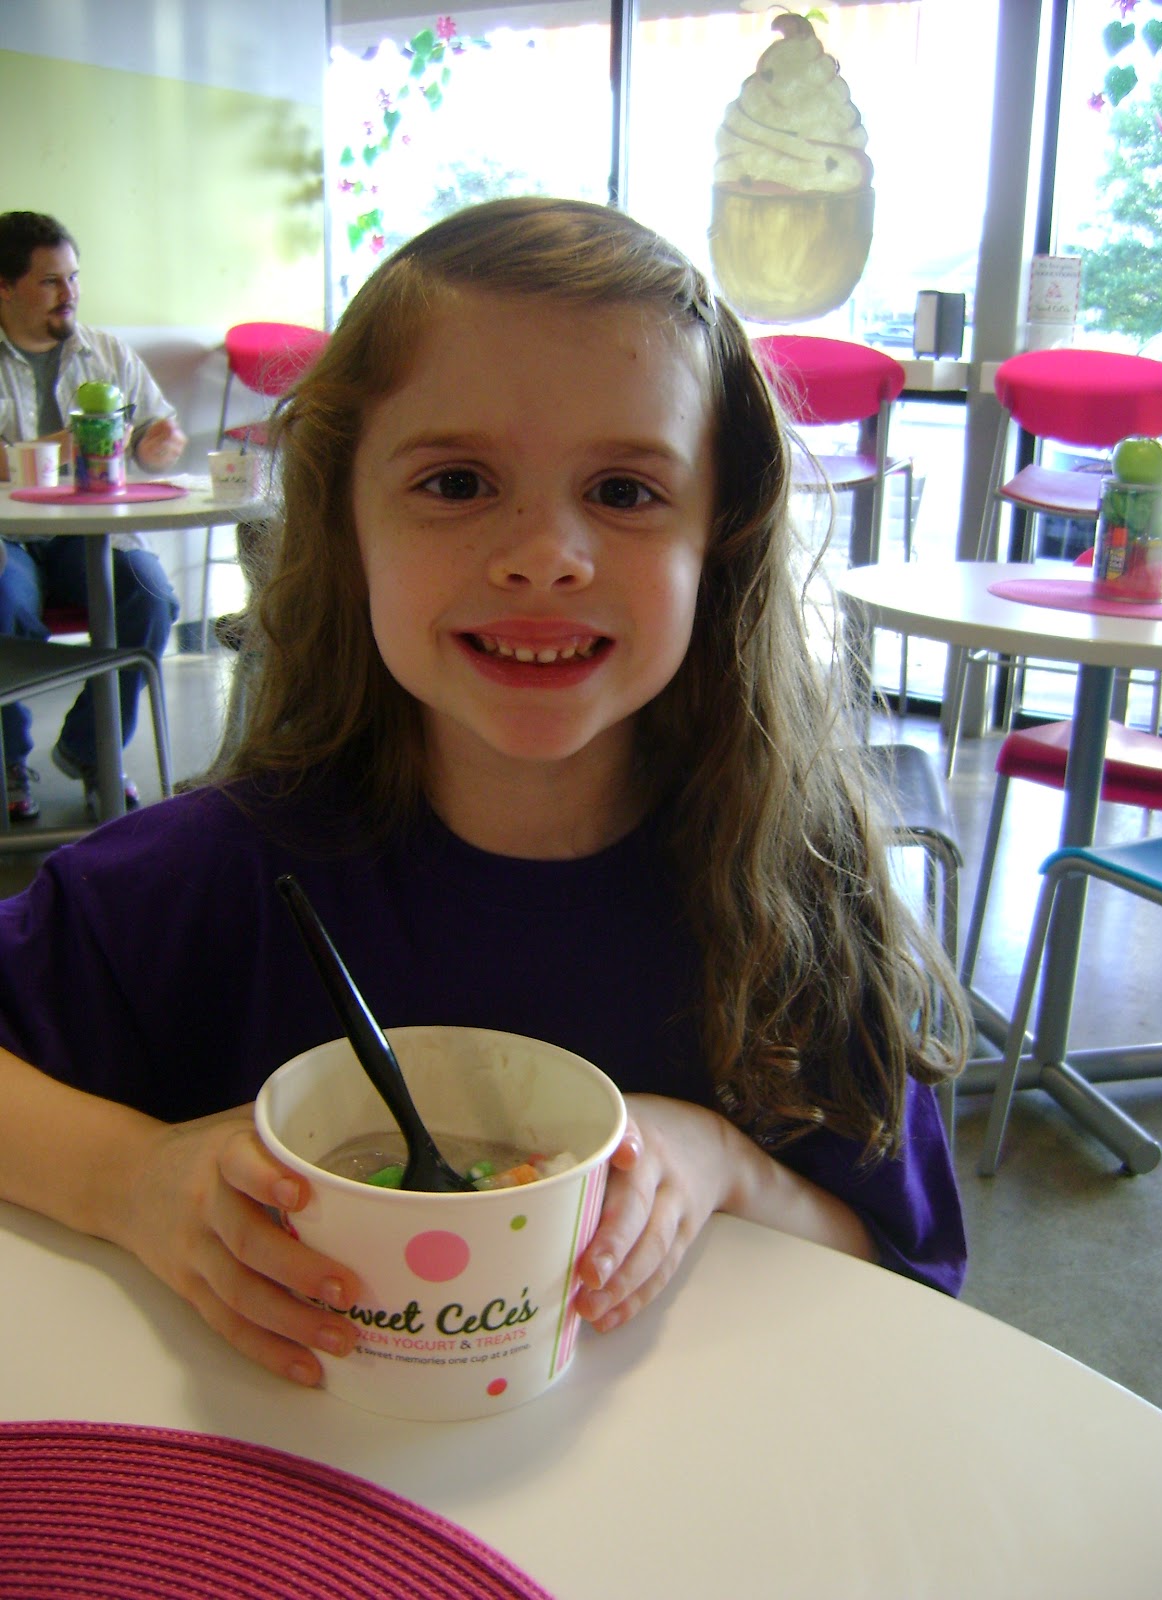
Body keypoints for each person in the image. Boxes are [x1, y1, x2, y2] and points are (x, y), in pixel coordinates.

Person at [0, 198, 969, 1389]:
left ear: (717, 540)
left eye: (625, 491)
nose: (545, 554)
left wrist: (727, 1164)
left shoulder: (793, 902)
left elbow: (906, 1278)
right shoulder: (218, 875)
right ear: (347, 521)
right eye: (456, 481)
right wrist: (128, 1177)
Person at [0, 210, 187, 822]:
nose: (70, 293)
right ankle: (9, 760)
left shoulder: (106, 352)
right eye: (51, 281)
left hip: (89, 533)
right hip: (8, 540)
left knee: (149, 596)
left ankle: (91, 749)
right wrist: (64, 445)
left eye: (74, 278)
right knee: (3, 602)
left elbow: (156, 433)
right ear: (5, 287)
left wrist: (158, 445)